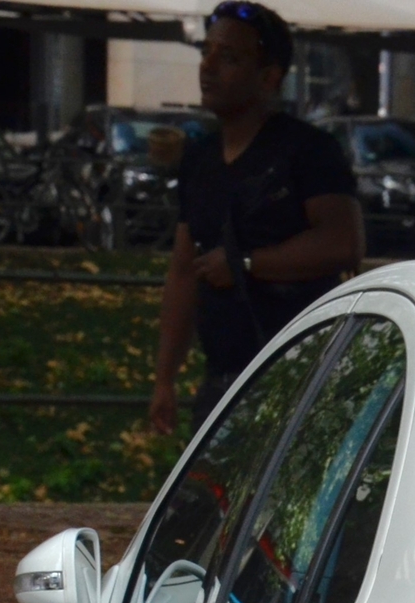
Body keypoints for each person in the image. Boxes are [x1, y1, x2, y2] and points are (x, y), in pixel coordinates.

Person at [148, 1, 363, 436]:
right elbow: (183, 271)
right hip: (221, 383)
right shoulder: (200, 158)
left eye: (228, 57)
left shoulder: (308, 150)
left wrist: (247, 263)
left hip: (299, 378)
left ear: (269, 77)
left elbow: (344, 243)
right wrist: (165, 379)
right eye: (205, 52)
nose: (208, 67)